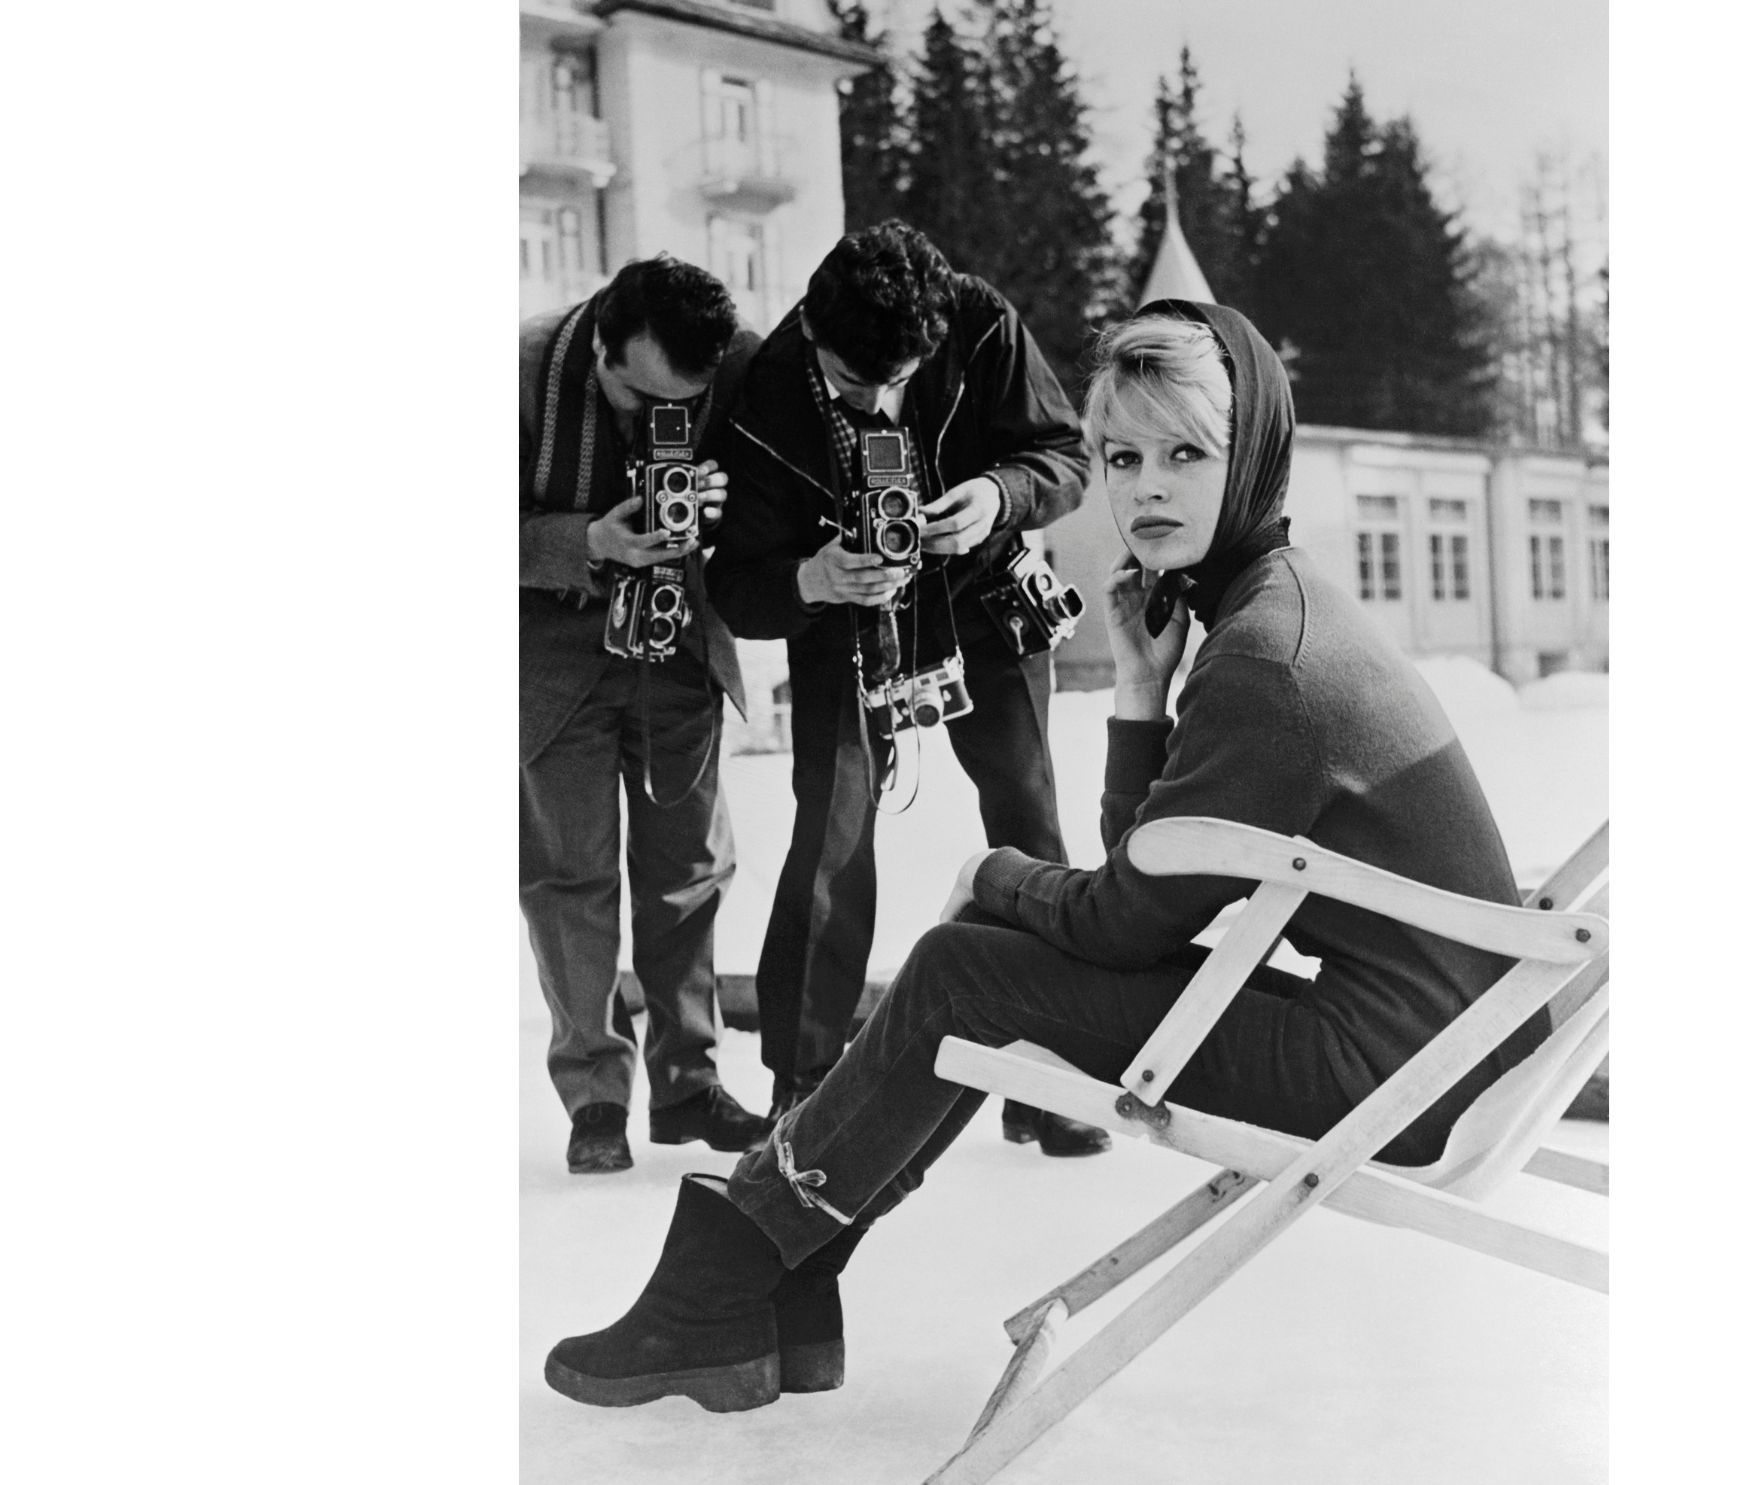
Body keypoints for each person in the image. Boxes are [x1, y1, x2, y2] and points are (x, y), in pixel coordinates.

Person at [541, 301, 1556, 1410]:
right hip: (1435, 1045)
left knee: (960, 965)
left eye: (1185, 453)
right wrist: (1136, 687)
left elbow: (1130, 916)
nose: (1146, 487)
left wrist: (997, 872)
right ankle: (775, 1278)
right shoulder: (1272, 607)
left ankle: (741, 1280)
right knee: (979, 956)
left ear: (1253, 452)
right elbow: (1159, 869)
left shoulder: (1267, 657)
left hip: (1399, 1080)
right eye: (1122, 456)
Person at [701, 220, 1110, 1157]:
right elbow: (734, 581)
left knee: (1031, 827)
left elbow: (1065, 457)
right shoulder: (766, 394)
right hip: (843, 621)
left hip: (983, 602)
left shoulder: (983, 324)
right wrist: (810, 578)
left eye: (903, 380)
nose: (883, 404)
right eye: (857, 385)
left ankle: (1039, 1073)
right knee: (831, 837)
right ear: (809, 328)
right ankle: (801, 1086)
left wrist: (1000, 496)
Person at [520, 257, 772, 1174]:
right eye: (636, 392)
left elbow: (775, 496)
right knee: (568, 878)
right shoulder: (517, 370)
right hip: (554, 665)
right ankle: (595, 1099)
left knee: (691, 873)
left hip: (677, 651)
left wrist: (721, 501)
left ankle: (689, 1084)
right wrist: (585, 539)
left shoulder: (739, 368)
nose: (647, 414)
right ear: (599, 343)